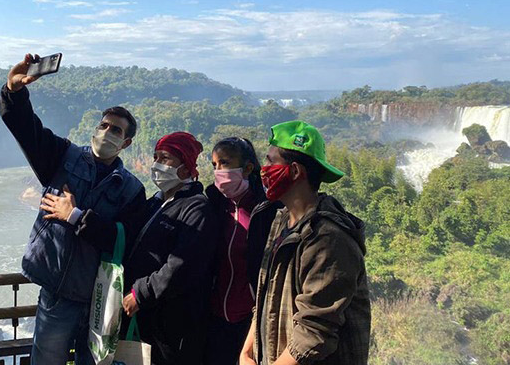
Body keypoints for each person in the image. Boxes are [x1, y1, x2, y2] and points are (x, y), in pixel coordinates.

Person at [0, 53, 146, 365]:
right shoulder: (63, 157)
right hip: (58, 294)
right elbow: (28, 130)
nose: (107, 132)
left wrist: (75, 216)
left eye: (116, 130)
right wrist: (14, 90)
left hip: (100, 300)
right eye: (104, 125)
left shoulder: (133, 190)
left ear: (127, 142)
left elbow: (124, 242)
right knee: (47, 360)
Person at [41, 131, 219, 365]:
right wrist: (76, 216)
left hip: (172, 327)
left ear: (186, 167)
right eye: (156, 157)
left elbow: (181, 267)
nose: (157, 165)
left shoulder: (196, 209)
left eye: (165, 158)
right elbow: (121, 235)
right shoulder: (155, 202)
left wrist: (140, 293)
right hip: (143, 319)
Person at [239, 121, 371, 365]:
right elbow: (265, 299)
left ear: (296, 171)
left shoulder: (328, 239)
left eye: (271, 161)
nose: (263, 169)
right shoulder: (281, 220)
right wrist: (247, 351)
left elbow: (314, 332)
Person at [204, 137, 281, 365]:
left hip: (251, 318)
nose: (218, 171)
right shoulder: (214, 204)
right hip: (215, 315)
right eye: (215, 165)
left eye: (225, 163)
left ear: (248, 168)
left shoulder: (268, 209)